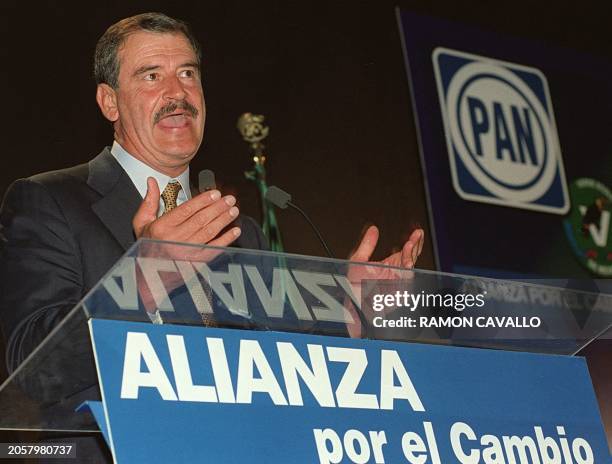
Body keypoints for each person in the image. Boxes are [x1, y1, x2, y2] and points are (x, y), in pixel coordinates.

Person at [0, 11, 423, 461]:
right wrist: (143, 280)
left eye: (187, 73)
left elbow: (281, 369)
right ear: (109, 102)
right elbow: (33, 369)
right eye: (151, 76)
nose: (177, 93)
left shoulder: (242, 231)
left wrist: (351, 311)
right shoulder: (48, 201)